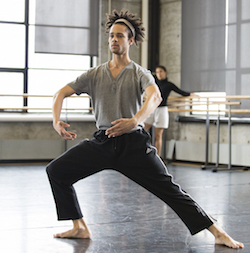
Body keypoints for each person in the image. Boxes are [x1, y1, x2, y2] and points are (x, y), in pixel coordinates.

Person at [46, 9, 244, 249]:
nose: (114, 40)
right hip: (103, 141)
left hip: (133, 145)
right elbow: (60, 93)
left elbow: (155, 97)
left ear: (131, 41)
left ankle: (217, 232)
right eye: (111, 36)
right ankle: (79, 227)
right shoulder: (95, 74)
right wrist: (56, 120)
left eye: (119, 36)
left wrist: (134, 120)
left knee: (170, 190)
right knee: (57, 171)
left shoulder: (140, 73)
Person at [144, 65, 195, 157]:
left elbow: (181, 92)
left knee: (158, 135)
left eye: (161, 71)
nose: (159, 74)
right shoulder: (154, 83)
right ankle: (142, 153)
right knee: (142, 130)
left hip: (162, 110)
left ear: (165, 72)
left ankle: (157, 157)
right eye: (157, 72)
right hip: (151, 109)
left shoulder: (169, 85)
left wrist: (192, 94)